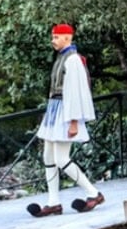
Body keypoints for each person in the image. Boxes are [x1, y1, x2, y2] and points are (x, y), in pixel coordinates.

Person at [28, 23, 104, 217]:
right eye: (53, 37)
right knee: (48, 157)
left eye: (56, 37)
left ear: (67, 38)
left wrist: (73, 121)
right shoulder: (63, 58)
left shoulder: (73, 60)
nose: (53, 41)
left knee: (61, 158)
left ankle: (93, 193)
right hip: (55, 109)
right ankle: (53, 201)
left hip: (65, 111)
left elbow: (76, 93)